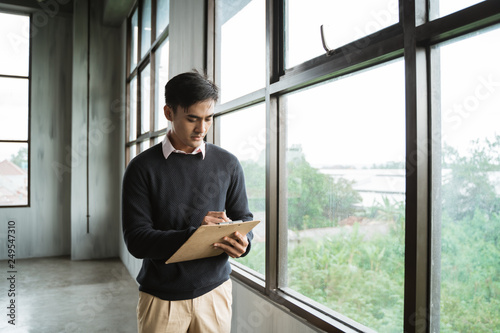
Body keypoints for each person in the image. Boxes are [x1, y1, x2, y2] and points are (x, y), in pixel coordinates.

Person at [122, 71, 253, 333]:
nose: (201, 129)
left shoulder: (228, 163)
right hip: (161, 299)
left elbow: (244, 220)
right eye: (192, 118)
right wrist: (196, 235)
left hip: (215, 294)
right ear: (169, 113)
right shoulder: (141, 168)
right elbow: (136, 241)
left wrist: (244, 244)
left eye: (208, 119)